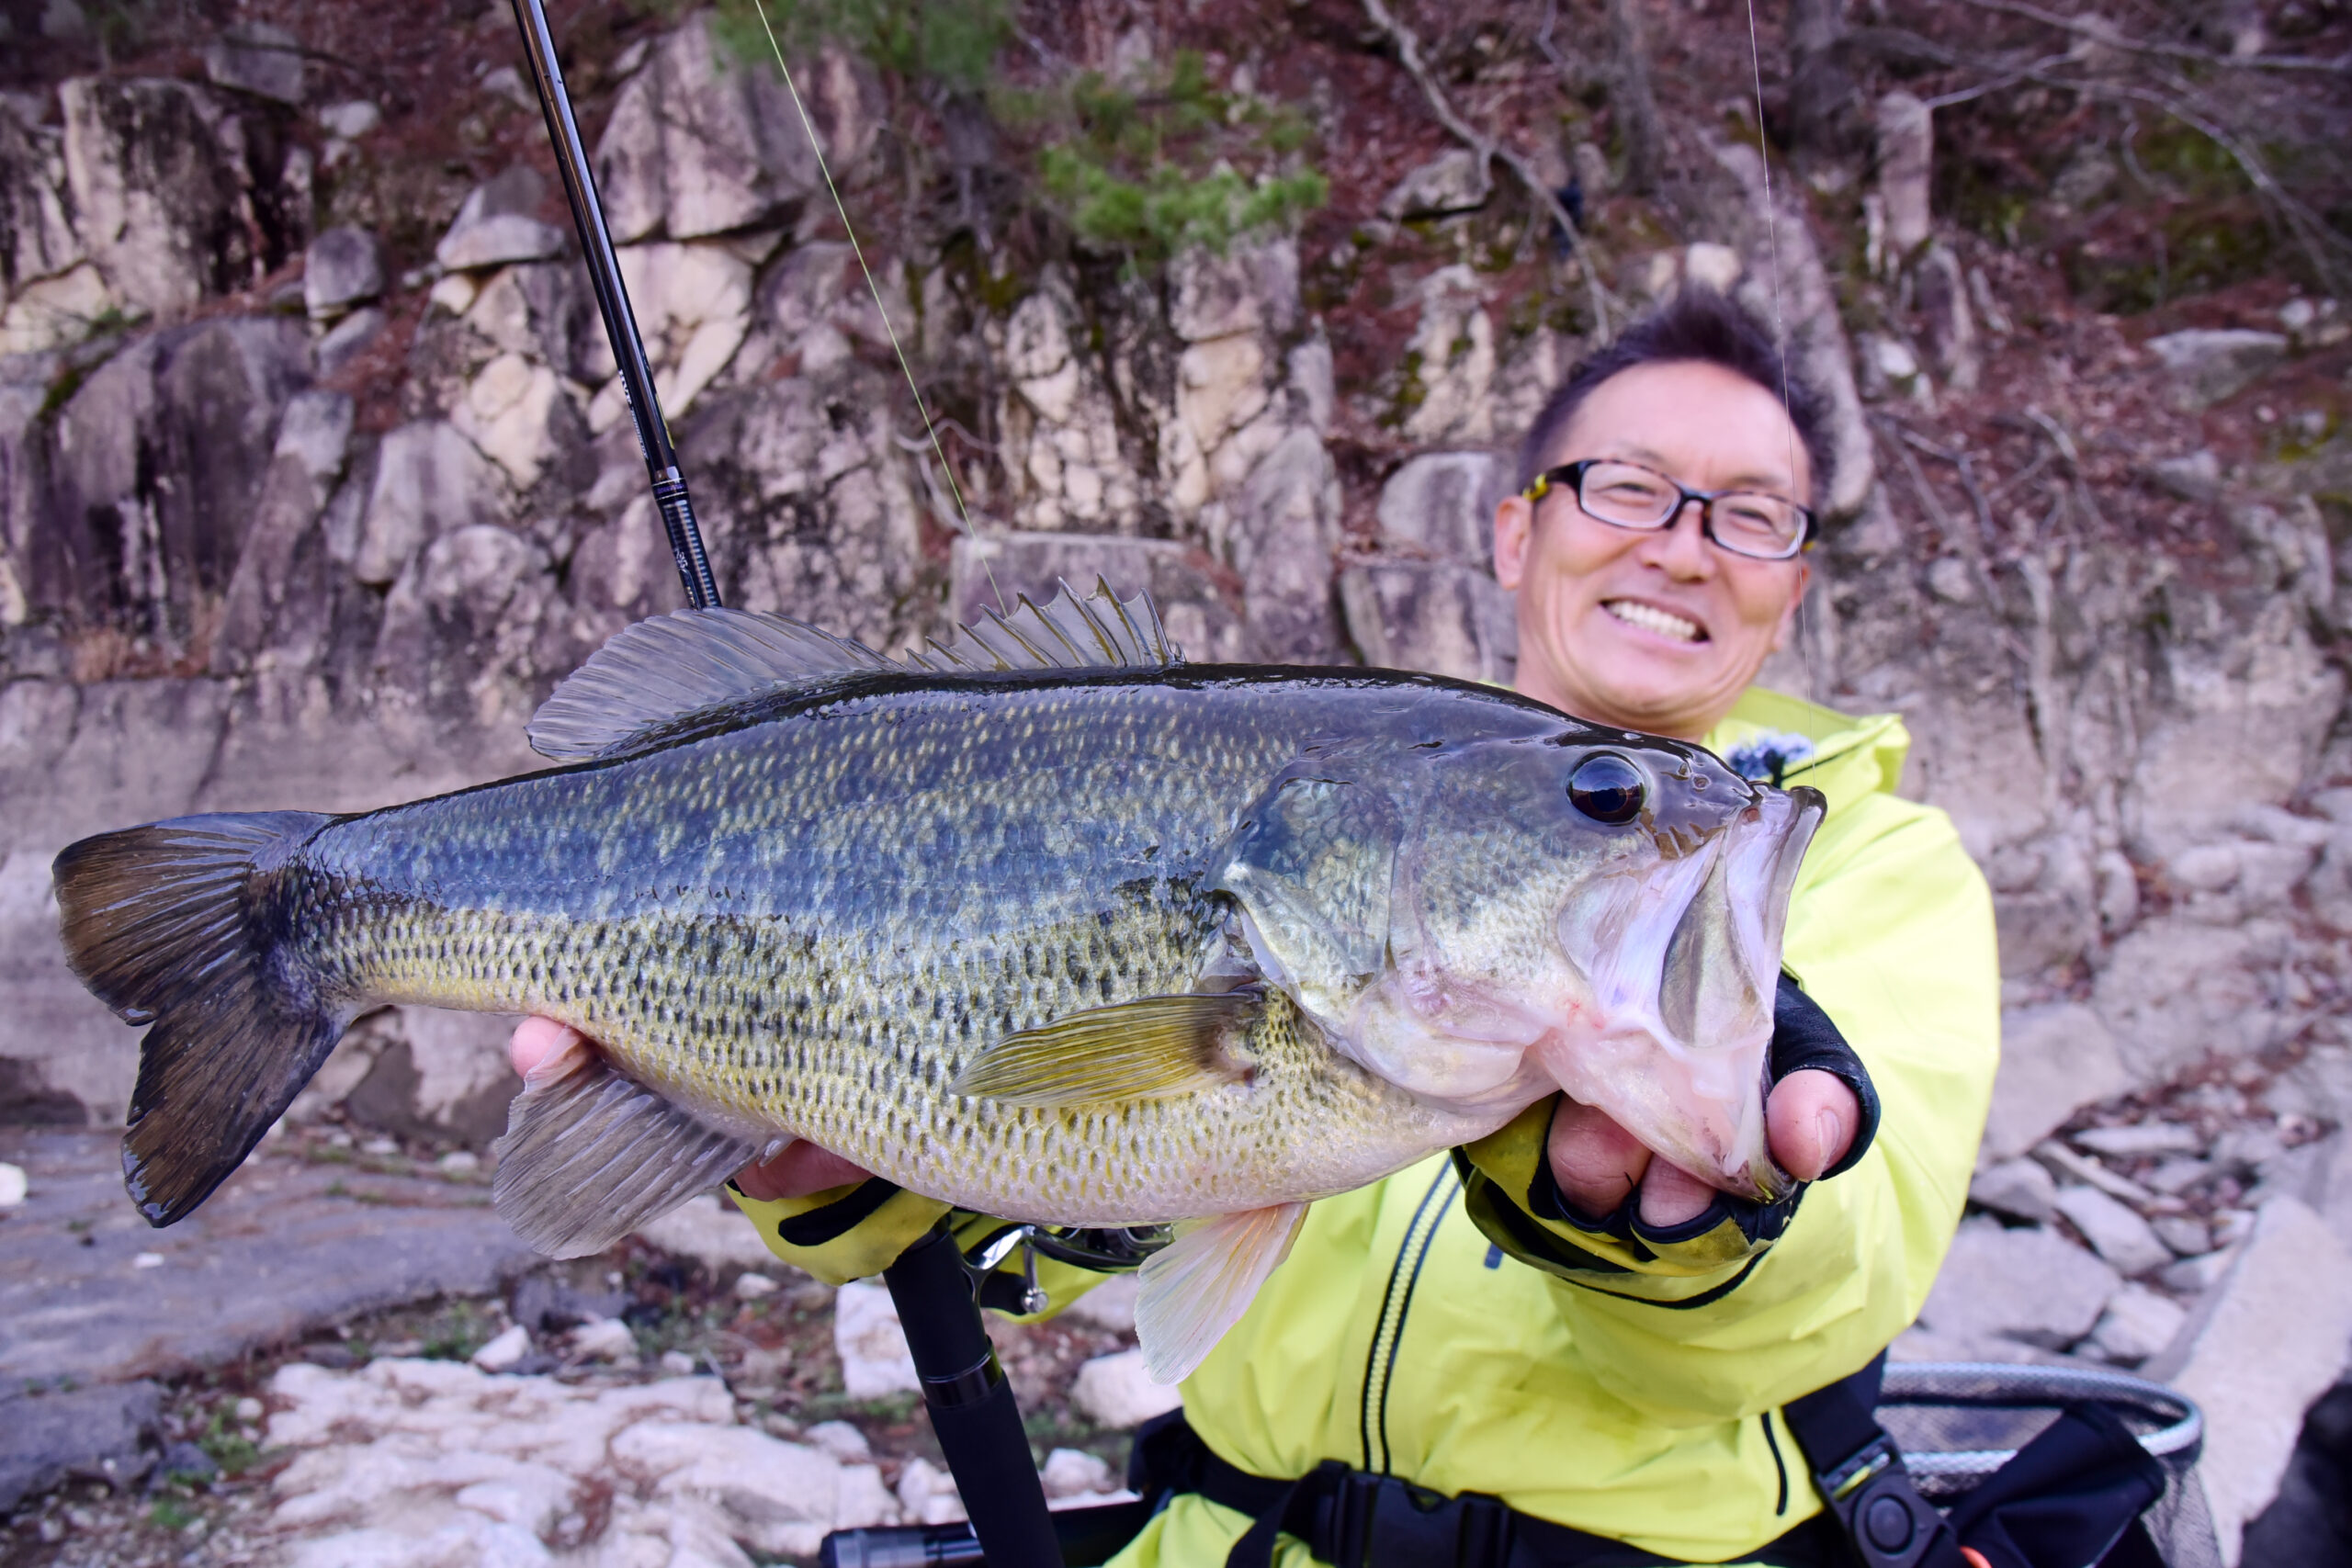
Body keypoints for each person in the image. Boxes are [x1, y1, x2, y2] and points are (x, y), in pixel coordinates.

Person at [508, 289, 1999, 1566]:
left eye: (1751, 518)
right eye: (1627, 488)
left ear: (1792, 586)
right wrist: (858, 1177)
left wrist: (1698, 1227)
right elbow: (1075, 1200)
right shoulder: (1318, 783)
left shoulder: (1871, 867)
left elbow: (1841, 1284)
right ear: (1512, 532)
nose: (1682, 547)